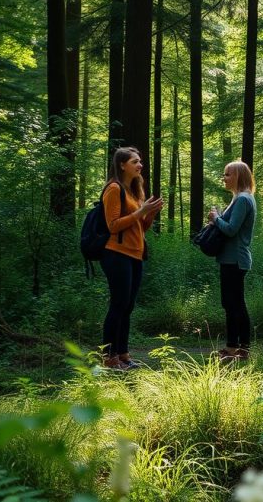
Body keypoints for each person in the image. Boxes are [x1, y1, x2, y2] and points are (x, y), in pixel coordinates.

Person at [101, 147, 163, 370]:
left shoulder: (136, 190)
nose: (140, 165)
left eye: (140, 161)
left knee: (128, 306)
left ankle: (123, 354)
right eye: (135, 162)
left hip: (135, 254)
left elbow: (140, 227)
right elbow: (113, 225)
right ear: (122, 165)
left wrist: (150, 213)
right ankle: (109, 357)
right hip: (116, 253)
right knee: (118, 305)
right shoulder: (114, 188)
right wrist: (140, 211)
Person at [209, 161, 257, 362]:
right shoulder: (240, 198)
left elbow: (231, 229)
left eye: (228, 174)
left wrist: (215, 218)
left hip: (235, 259)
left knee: (235, 304)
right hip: (232, 259)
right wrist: (219, 218)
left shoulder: (243, 200)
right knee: (231, 303)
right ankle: (233, 347)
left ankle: (241, 348)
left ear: (238, 176)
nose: (224, 178)